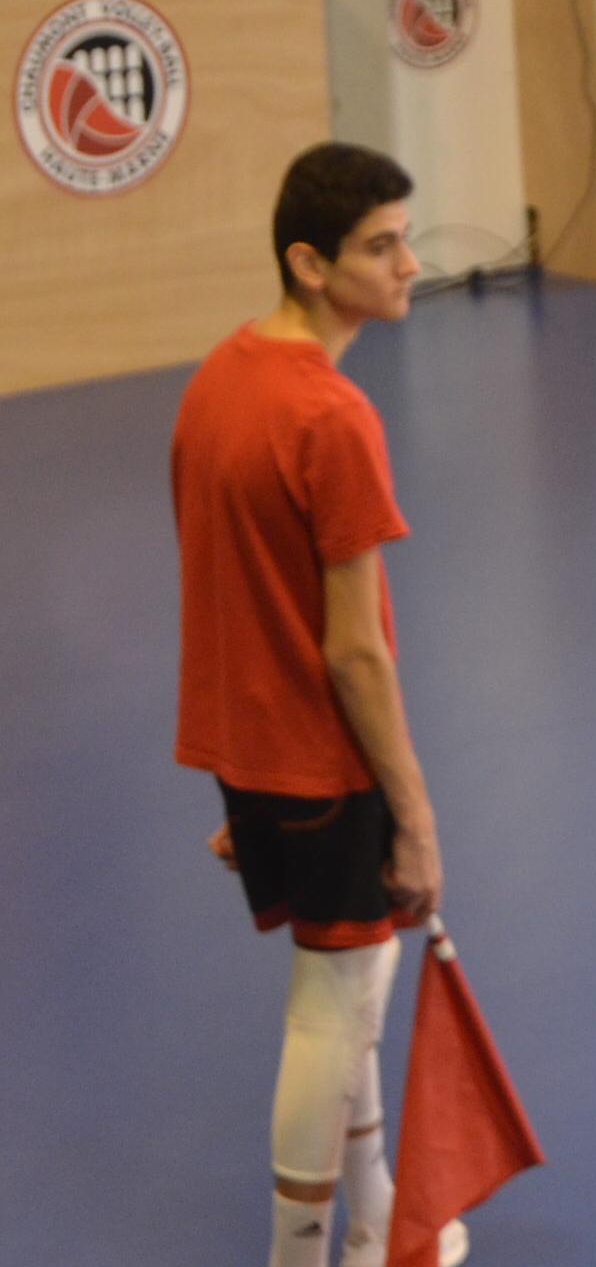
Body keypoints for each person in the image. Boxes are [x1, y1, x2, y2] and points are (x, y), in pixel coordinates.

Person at [171, 144, 463, 1267]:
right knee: (333, 1001)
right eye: (381, 247)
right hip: (321, 758)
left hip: (254, 751)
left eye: (406, 238)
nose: (409, 264)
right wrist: (415, 815)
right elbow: (355, 653)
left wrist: (246, 782)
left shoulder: (219, 378)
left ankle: (379, 1223)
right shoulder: (333, 419)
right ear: (309, 262)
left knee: (355, 977)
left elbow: (225, 584)